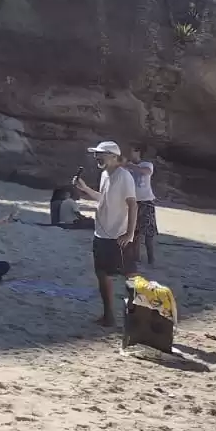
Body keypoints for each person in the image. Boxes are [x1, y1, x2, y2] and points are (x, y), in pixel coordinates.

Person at [74, 140, 138, 327]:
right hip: (101, 234)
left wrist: (129, 233)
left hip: (119, 235)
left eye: (100, 154)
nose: (97, 157)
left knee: (130, 276)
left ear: (113, 157)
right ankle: (108, 316)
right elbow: (103, 199)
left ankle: (138, 317)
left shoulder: (124, 176)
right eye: (96, 154)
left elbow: (133, 205)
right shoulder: (104, 175)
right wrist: (85, 189)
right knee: (102, 274)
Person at [125, 144, 159, 266]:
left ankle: (151, 259)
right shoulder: (128, 167)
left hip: (146, 201)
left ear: (138, 152)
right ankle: (135, 257)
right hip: (133, 202)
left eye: (132, 151)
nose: (130, 154)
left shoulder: (146, 165)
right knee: (134, 231)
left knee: (148, 233)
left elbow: (146, 172)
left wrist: (131, 166)